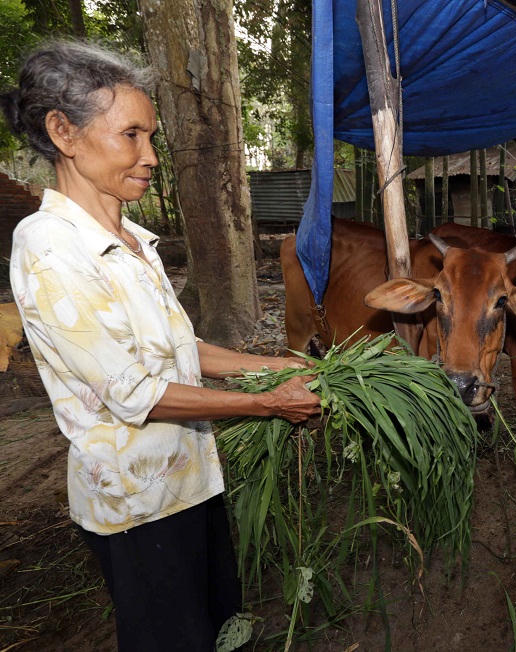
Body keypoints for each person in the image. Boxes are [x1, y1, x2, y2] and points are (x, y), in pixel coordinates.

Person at [1, 41, 322, 651]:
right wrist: (271, 402)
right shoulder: (50, 247)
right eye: (131, 135)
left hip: (190, 479)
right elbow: (136, 393)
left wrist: (277, 364)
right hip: (136, 504)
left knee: (220, 626)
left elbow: (180, 349)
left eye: (152, 137)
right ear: (63, 133)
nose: (150, 156)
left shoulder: (132, 240)